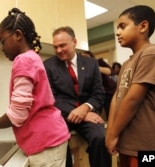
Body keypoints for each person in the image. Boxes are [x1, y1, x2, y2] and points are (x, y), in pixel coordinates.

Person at [0, 8, 70, 167]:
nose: (2, 48)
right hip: (50, 139)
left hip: (46, 142)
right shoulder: (32, 58)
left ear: (18, 35)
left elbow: (17, 113)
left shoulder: (23, 60)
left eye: (2, 41)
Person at [44, 26, 112, 167]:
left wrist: (85, 108)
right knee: (59, 140)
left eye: (62, 45)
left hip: (87, 113)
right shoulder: (48, 66)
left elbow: (98, 93)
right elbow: (51, 97)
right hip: (62, 116)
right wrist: (80, 112)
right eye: (55, 47)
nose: (58, 50)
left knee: (100, 137)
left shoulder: (91, 64)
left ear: (74, 42)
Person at [106, 5, 155, 167]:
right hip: (127, 141)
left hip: (146, 145)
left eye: (123, 26)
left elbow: (134, 98)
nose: (117, 32)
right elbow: (117, 97)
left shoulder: (150, 53)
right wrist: (110, 132)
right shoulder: (127, 63)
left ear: (143, 26)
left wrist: (113, 134)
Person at [81, 51, 117, 120]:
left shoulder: (99, 62)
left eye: (87, 57)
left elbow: (110, 72)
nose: (85, 60)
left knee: (110, 113)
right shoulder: (81, 69)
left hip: (108, 91)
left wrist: (93, 66)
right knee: (96, 112)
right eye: (82, 58)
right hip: (96, 94)